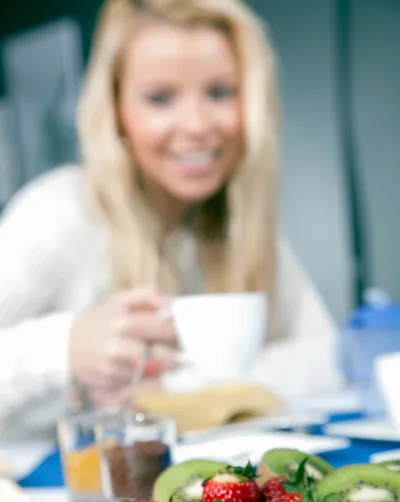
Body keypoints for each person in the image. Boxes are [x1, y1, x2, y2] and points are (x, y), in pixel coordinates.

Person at [0, 0, 342, 442]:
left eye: (220, 92)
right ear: (117, 110)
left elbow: (329, 359)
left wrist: (176, 388)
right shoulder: (59, 213)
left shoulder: (242, 221)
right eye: (160, 98)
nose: (197, 125)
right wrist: (65, 347)